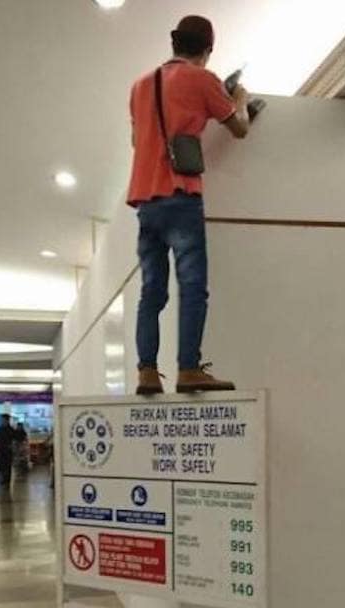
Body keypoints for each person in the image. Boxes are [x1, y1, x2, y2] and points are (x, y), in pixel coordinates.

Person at [128, 14, 250, 395]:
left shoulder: (140, 86)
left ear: (175, 43)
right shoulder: (203, 79)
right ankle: (188, 368)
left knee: (152, 290)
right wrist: (240, 99)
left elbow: (136, 140)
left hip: (145, 201)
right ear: (207, 50)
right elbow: (239, 127)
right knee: (192, 286)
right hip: (181, 195)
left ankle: (147, 371)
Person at [0, 414, 15, 486]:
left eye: (3, 419)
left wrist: (12, 446)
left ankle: (7, 480)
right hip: (1, 450)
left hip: (8, 450)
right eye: (1, 420)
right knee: (1, 465)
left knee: (8, 465)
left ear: (7, 420)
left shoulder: (11, 429)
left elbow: (14, 440)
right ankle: (2, 479)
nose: (1, 421)